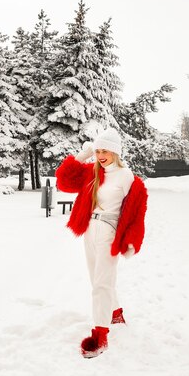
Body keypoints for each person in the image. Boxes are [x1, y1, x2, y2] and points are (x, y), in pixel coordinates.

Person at [55, 127, 147, 358]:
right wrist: (82, 155)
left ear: (116, 152)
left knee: (101, 284)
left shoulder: (126, 177)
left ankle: (100, 335)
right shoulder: (92, 171)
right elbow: (63, 182)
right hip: (90, 229)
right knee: (97, 278)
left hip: (109, 231)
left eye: (105, 150)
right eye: (98, 151)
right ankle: (115, 313)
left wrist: (132, 239)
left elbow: (137, 211)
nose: (101, 155)